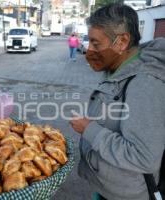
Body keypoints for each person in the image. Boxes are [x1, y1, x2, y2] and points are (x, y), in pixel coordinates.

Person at [69, 3, 165, 200]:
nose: (90, 51)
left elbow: (144, 158)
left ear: (121, 42)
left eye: (96, 44)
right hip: (110, 188)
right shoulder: (120, 68)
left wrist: (89, 129)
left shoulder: (144, 84)